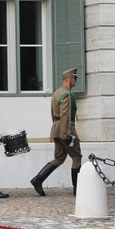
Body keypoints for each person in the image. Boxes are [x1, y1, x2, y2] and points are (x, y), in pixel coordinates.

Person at [31, 68, 82, 197]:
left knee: (59, 158)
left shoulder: (57, 93)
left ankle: (38, 179)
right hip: (66, 129)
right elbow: (65, 115)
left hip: (56, 128)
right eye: (75, 78)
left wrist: (56, 130)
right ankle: (78, 189)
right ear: (70, 79)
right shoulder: (66, 94)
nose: (76, 81)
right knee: (76, 157)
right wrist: (67, 134)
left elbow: (53, 113)